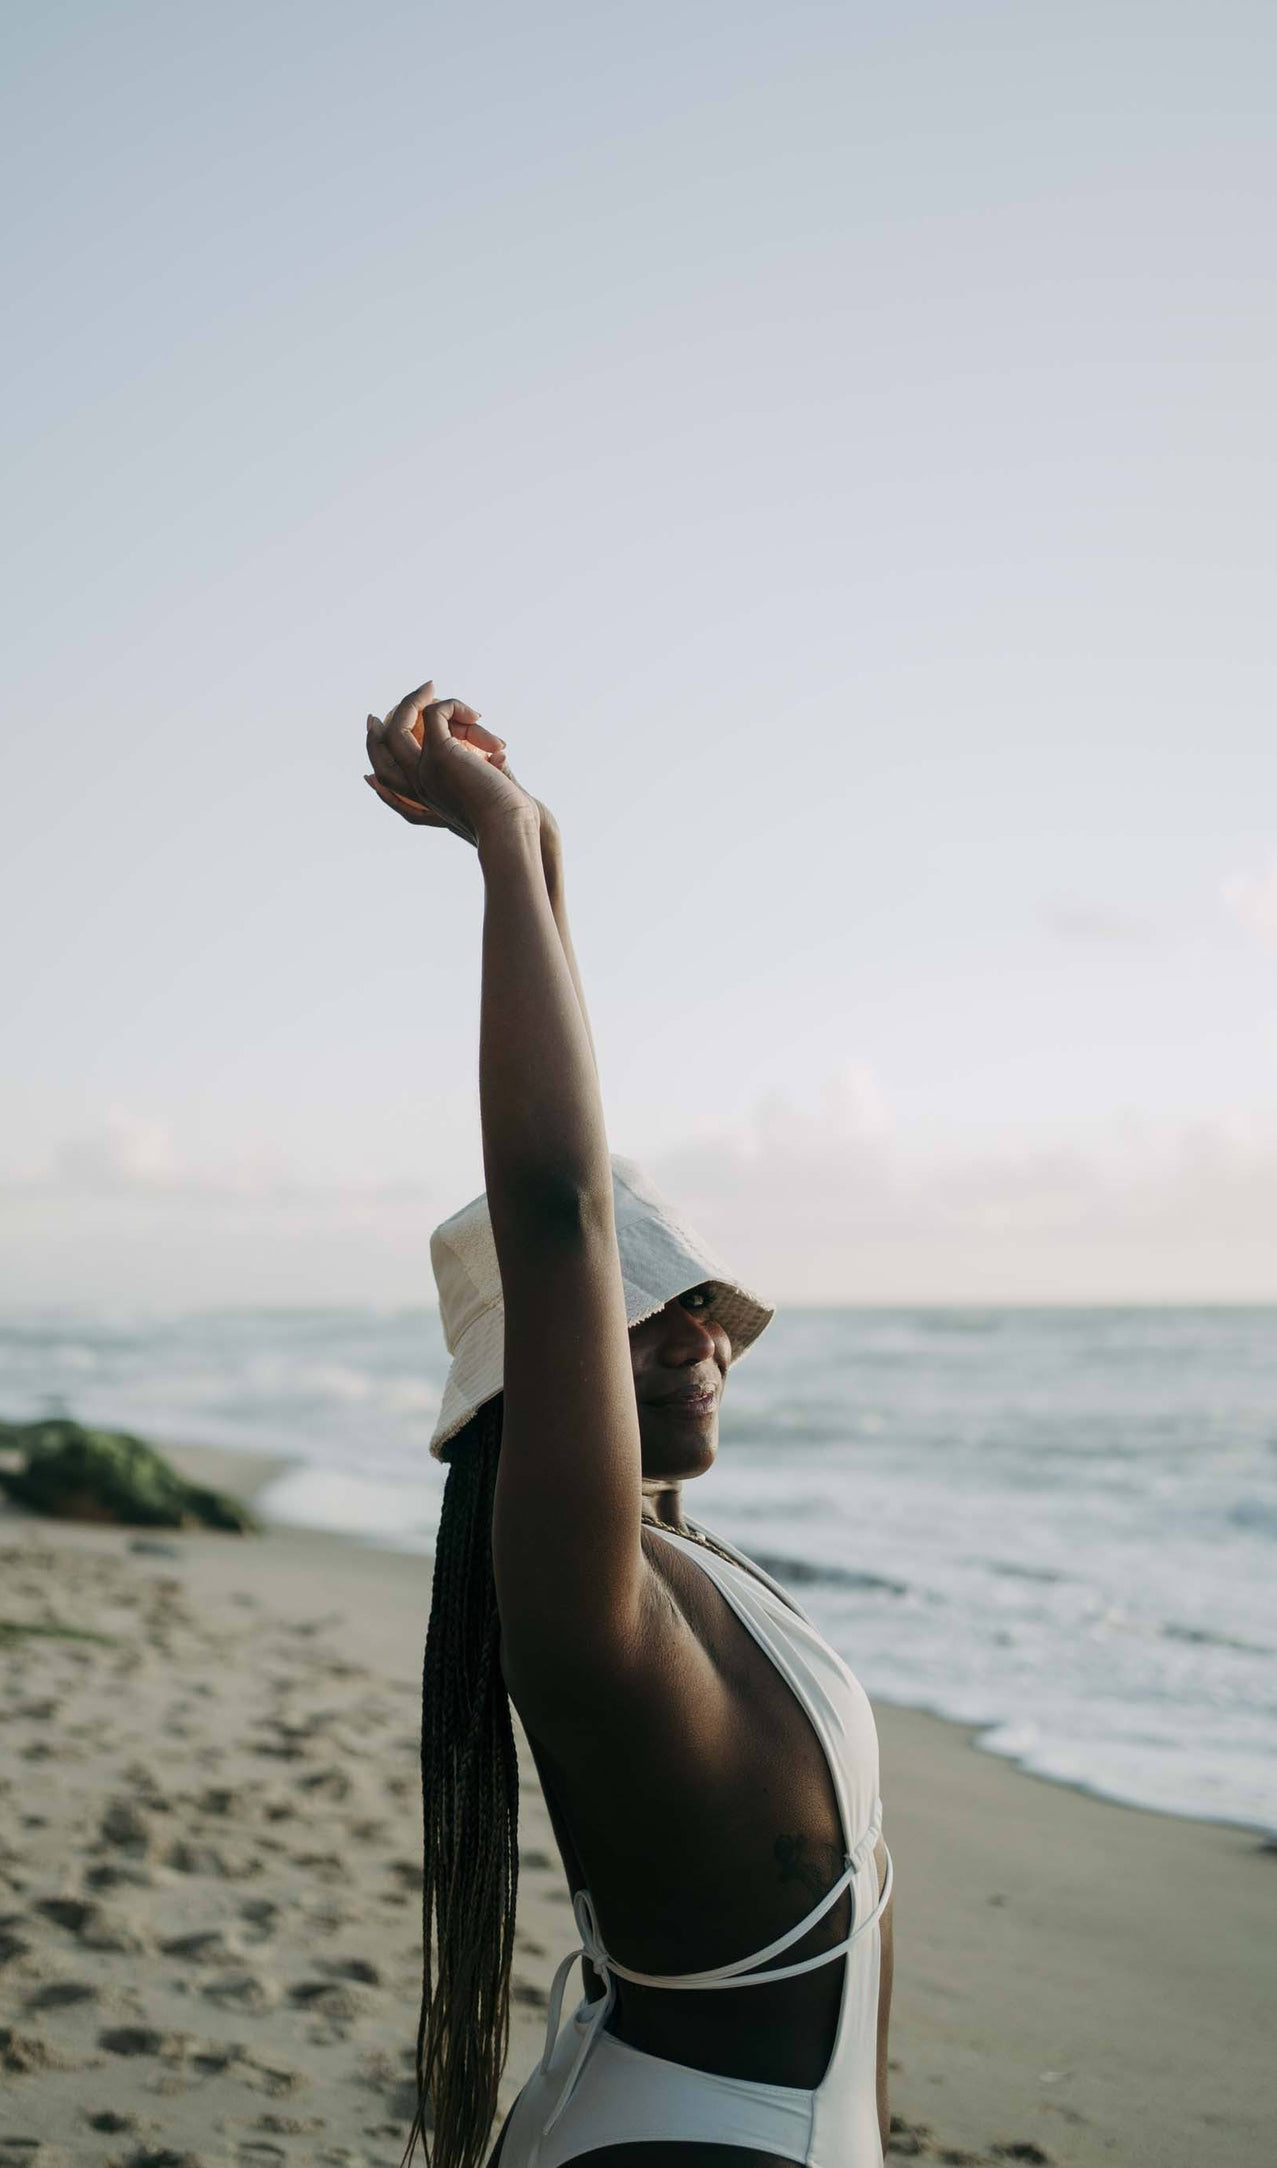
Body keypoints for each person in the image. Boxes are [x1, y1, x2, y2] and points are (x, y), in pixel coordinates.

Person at [364, 684, 894, 2168]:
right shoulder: (575, 1596)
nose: (703, 1332)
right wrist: (500, 840)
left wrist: (545, 862)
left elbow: (587, 1198)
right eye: (647, 1312)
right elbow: (560, 1209)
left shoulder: (681, 1568)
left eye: (702, 1300)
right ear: (542, 1386)